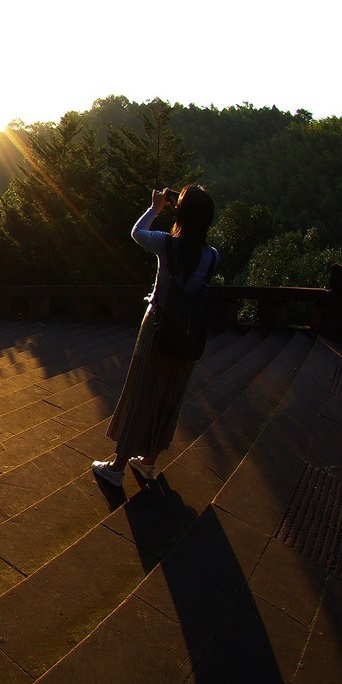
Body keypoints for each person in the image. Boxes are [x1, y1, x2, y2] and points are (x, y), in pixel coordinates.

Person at [92, 185, 219, 486]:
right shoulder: (213, 256)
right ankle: (148, 462)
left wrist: (156, 207)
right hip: (189, 335)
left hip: (158, 327)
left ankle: (117, 467)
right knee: (169, 394)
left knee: (142, 391)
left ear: (181, 213)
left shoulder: (166, 245)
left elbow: (137, 231)